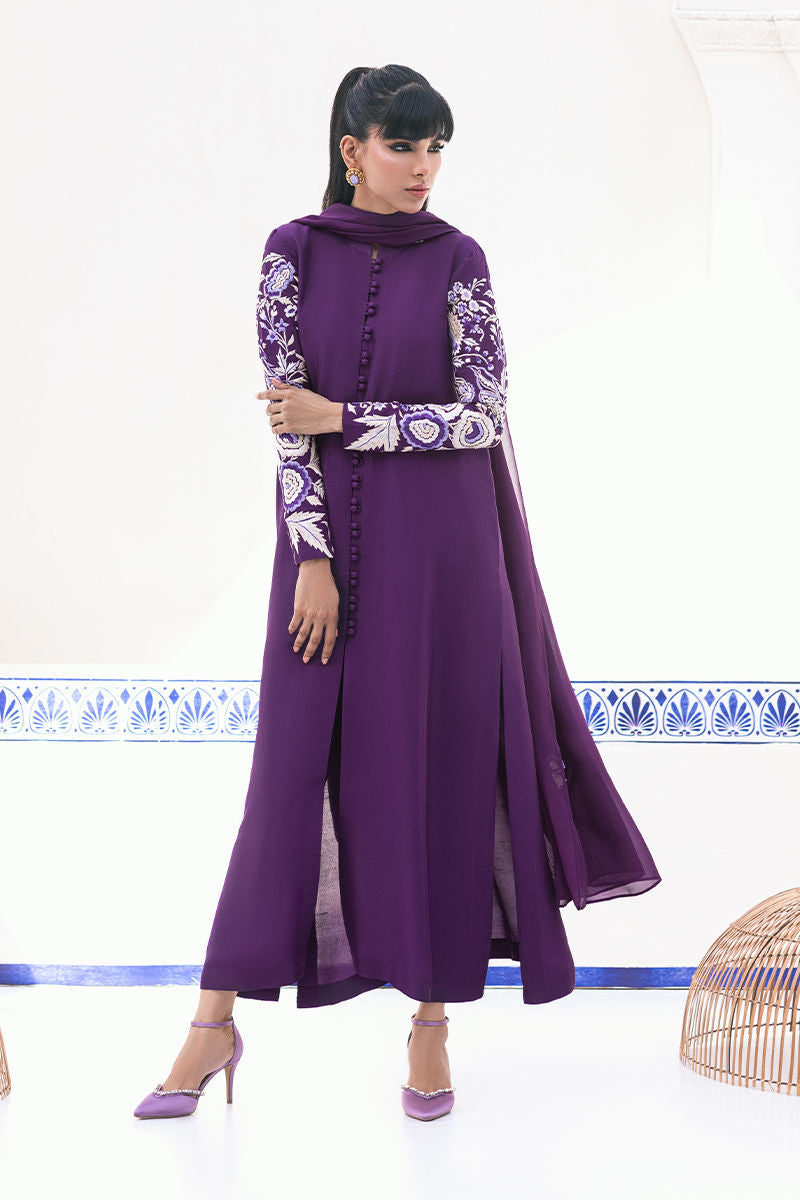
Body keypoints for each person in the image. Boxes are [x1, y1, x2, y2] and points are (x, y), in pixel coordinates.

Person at [134, 63, 661, 1123]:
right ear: (352, 150)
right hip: (325, 555)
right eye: (402, 145)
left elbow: (483, 414)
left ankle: (429, 1025)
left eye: (435, 148)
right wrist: (311, 556)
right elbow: (284, 422)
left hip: (446, 555)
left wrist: (348, 418)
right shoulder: (289, 253)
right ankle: (214, 1020)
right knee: (288, 777)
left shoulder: (460, 259)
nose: (422, 167)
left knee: (439, 766)